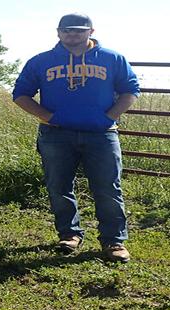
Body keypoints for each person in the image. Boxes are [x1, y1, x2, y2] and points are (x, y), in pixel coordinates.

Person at [12, 13, 139, 262]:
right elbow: (20, 94)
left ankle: (114, 241)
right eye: (67, 30)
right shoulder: (41, 61)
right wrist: (48, 117)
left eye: (79, 30)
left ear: (91, 31)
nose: (72, 35)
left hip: (102, 134)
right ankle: (69, 234)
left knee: (107, 187)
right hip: (56, 134)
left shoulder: (112, 59)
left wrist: (109, 117)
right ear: (58, 32)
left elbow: (130, 89)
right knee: (58, 186)